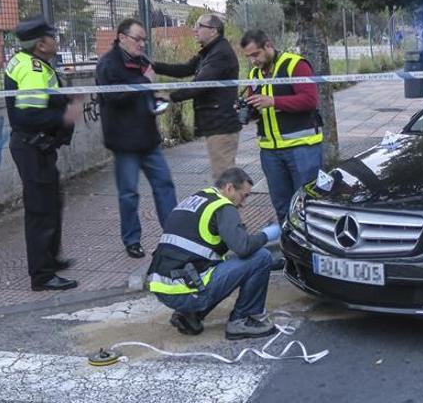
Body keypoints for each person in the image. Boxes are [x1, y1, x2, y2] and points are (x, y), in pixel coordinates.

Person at [147, 167, 281, 339]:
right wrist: (266, 234)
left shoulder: (198, 198)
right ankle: (243, 320)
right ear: (229, 188)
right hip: (185, 291)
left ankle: (189, 315)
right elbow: (243, 248)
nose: (243, 203)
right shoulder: (223, 207)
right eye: (244, 195)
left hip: (165, 286)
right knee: (261, 257)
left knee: (218, 266)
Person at [4, 17, 83, 291]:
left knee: (52, 202)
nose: (56, 40)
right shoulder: (33, 68)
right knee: (41, 210)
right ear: (40, 43)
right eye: (53, 36)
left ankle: (50, 258)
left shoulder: (29, 62)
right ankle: (42, 275)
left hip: (35, 147)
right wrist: (66, 115)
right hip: (32, 147)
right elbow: (30, 115)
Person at [96, 19, 178, 259]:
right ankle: (132, 240)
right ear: (122, 38)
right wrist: (145, 83)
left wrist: (157, 101)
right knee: (129, 194)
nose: (142, 44)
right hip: (124, 143)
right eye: (138, 39)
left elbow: (147, 92)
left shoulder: (142, 62)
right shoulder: (108, 64)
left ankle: (174, 236)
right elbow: (113, 97)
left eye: (144, 39)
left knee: (165, 185)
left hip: (148, 139)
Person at [239, 30, 323, 225]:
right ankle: (290, 250)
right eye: (248, 56)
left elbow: (310, 100)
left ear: (268, 46)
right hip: (270, 152)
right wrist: (248, 110)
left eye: (255, 54)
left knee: (306, 206)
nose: (253, 61)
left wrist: (273, 101)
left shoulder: (295, 65)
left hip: (303, 148)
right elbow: (259, 106)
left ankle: (311, 251)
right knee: (282, 207)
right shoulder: (255, 74)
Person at [152, 14, 241, 179]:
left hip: (221, 125)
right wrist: (154, 66)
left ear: (213, 31)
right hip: (216, 123)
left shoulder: (220, 53)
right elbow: (184, 69)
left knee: (225, 179)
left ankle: (229, 205)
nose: (195, 29)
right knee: (224, 177)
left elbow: (200, 84)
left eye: (199, 26)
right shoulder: (208, 52)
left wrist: (170, 97)